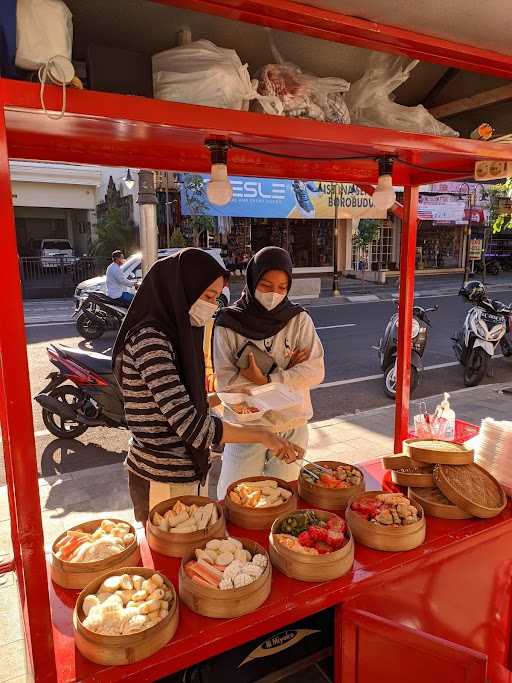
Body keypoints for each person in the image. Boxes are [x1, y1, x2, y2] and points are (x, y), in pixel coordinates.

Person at [112, 248, 303, 523]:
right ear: (181, 290)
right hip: (161, 477)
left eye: (215, 297)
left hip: (189, 470)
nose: (213, 306)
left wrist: (232, 397)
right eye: (209, 297)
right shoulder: (151, 341)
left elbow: (184, 401)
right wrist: (263, 435)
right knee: (170, 558)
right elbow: (191, 426)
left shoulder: (175, 334)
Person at [214, 246, 325, 499]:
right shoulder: (228, 323)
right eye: (265, 285)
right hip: (246, 430)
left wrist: (268, 378)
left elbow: (315, 371)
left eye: (282, 287)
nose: (274, 293)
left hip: (291, 425)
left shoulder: (298, 320)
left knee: (282, 501)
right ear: (252, 280)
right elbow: (225, 383)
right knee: (234, 499)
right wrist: (288, 372)